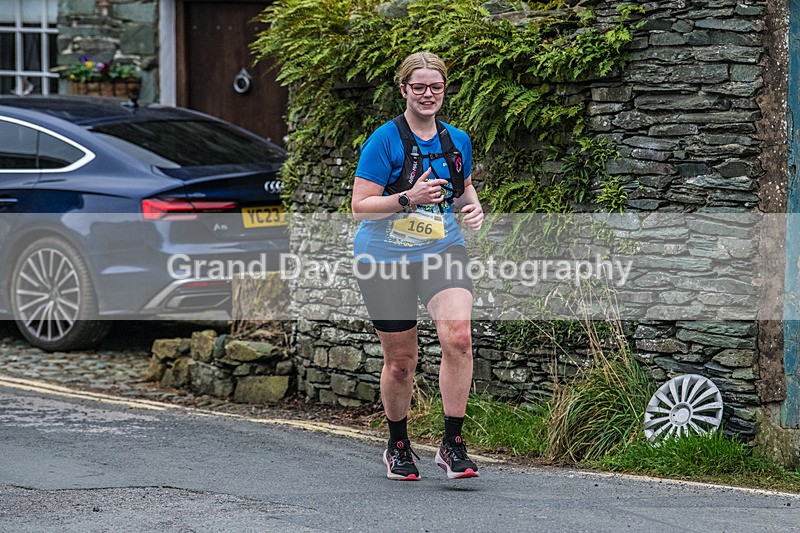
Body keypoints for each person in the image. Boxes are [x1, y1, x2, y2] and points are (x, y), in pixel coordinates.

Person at [351, 51, 484, 480]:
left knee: (459, 337)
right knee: (402, 360)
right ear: (404, 89)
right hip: (384, 257)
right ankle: (398, 444)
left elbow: (463, 190)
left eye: (436, 87)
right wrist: (408, 198)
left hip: (441, 249)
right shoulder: (384, 140)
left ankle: (452, 444)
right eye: (419, 87)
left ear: (445, 89)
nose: (428, 94)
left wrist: (473, 209)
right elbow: (360, 207)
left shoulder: (456, 139)